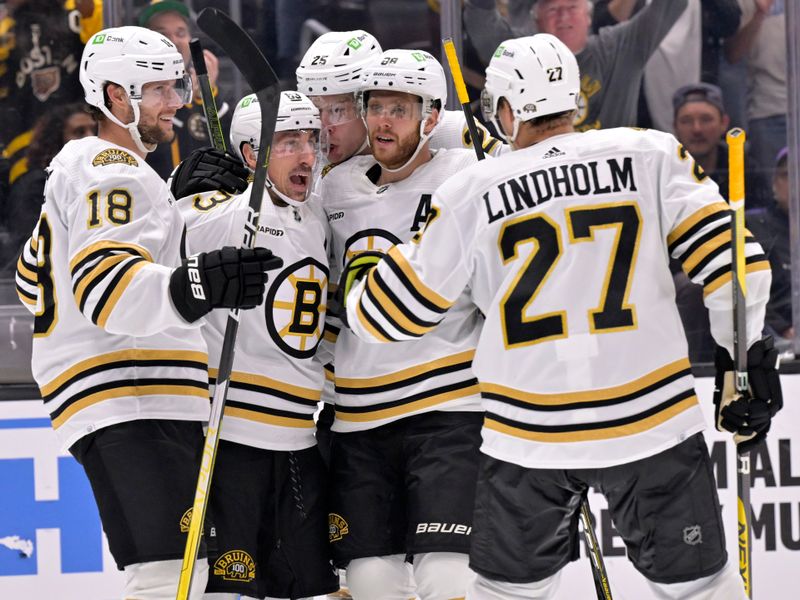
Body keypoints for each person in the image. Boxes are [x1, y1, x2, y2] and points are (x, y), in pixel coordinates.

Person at [342, 34, 782, 599]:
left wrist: (368, 273)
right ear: (573, 99)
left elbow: (387, 315)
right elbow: (739, 268)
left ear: (504, 109)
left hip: (529, 437)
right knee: (700, 589)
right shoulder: (647, 151)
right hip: (650, 421)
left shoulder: (471, 189)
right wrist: (739, 358)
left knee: (505, 594)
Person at [13, 26, 280, 599]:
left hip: (138, 394)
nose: (178, 103)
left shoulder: (103, 173)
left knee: (189, 574)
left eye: (178, 86)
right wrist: (199, 284)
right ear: (116, 97)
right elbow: (108, 289)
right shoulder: (109, 166)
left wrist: (181, 205)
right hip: (129, 391)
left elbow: (31, 284)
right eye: (160, 90)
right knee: (167, 577)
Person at [319, 48, 484, 599]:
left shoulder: (469, 176)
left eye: (400, 108)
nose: (383, 120)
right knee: (368, 580)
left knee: (446, 574)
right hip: (358, 416)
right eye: (375, 106)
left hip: (449, 409)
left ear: (431, 117)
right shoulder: (334, 188)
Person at [177, 90, 338, 600]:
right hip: (232, 437)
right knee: (229, 588)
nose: (307, 154)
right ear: (251, 155)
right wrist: (177, 189)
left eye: (311, 140)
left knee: (316, 587)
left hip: (300, 438)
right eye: (288, 141)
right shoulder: (229, 214)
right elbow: (156, 244)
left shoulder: (318, 215)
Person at [463, 0, 689, 130]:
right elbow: (481, 20)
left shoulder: (619, 49)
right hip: (543, 180)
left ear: (589, 17)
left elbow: (670, 5)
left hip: (613, 175)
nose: (563, 17)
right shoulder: (519, 53)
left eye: (572, 7)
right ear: (536, 20)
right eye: (553, 10)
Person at [295, 29, 503, 169]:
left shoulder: (450, 130)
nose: (323, 127)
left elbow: (511, 168)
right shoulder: (307, 163)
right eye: (315, 111)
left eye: (337, 110)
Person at [0, 0, 102, 187]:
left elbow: (104, 47)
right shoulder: (7, 24)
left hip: (83, 135)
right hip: (24, 145)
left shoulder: (80, 9)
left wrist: (87, 10)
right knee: (33, 197)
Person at [138, 0, 232, 180]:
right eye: (162, 34)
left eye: (180, 33)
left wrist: (207, 95)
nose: (174, 41)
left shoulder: (209, 94)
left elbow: (231, 154)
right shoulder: (135, 93)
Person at [1, 102, 95, 273]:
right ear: (57, 140)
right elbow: (31, 245)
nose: (90, 137)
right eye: (79, 132)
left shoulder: (99, 182)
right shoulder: (36, 185)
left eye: (93, 131)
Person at [747, 147, 792, 345]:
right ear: (774, 183)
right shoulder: (752, 225)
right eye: (788, 175)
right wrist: (785, 328)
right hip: (770, 337)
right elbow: (748, 289)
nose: (796, 182)